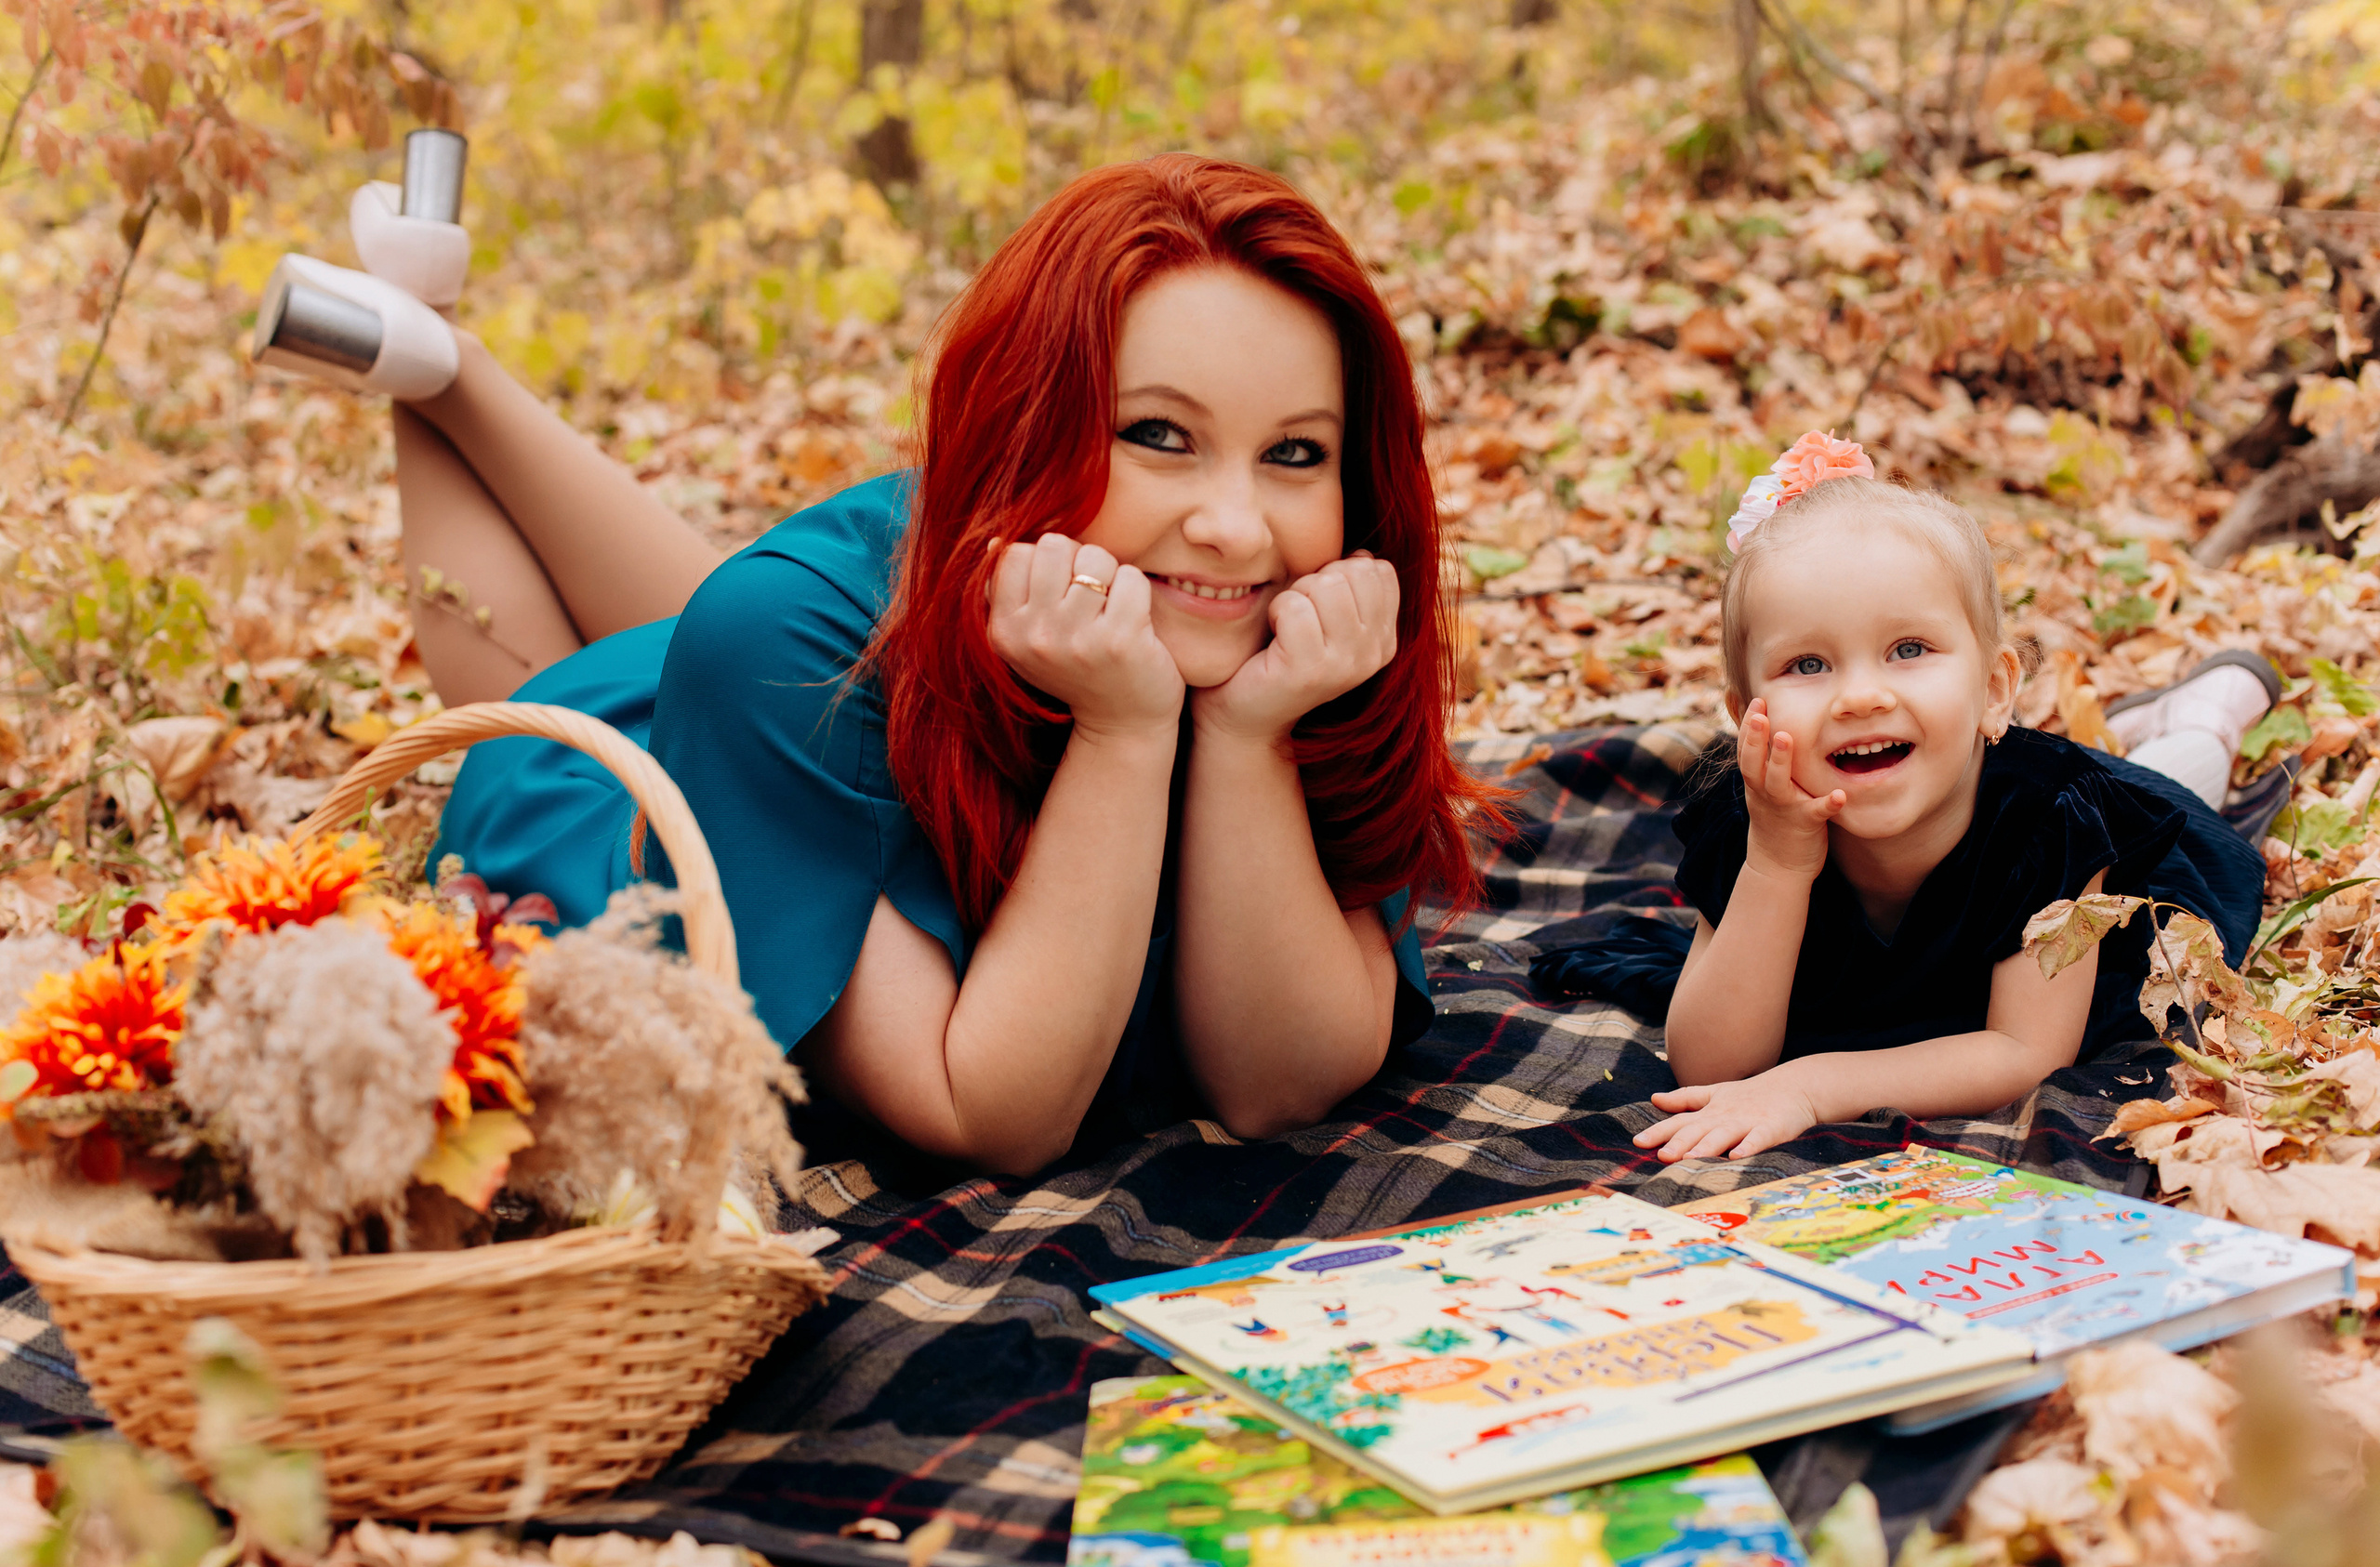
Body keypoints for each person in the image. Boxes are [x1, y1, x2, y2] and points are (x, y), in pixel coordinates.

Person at [247, 154, 1499, 1178]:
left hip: (872, 661)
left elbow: (1281, 1082)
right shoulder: (789, 651)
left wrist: (1244, 735)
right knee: (558, 689)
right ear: (1033, 436)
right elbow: (989, 1109)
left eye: (1296, 454)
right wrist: (1125, 731)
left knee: (772, 638)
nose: (1240, 526)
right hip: (625, 805)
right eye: (1159, 435)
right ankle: (435, 364)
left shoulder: (1297, 619)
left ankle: (428, 343)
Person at [1604, 434, 2269, 1163]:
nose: (1861, 695)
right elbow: (1711, 1066)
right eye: (1808, 664)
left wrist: (1811, 1085)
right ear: (1746, 715)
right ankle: (2171, 718)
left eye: (1909, 649)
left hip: (2122, 845)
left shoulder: (2052, 821)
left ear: (1993, 690)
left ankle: (2210, 714)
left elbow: (2025, 1050)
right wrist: (1777, 865)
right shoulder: (1752, 817)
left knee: (2181, 779)